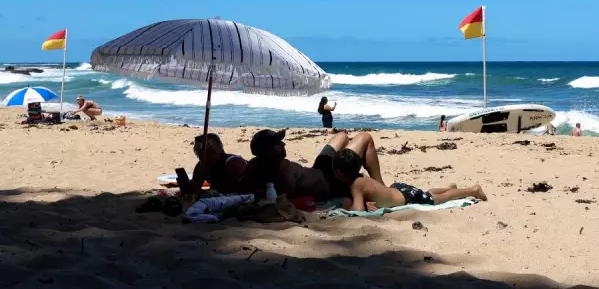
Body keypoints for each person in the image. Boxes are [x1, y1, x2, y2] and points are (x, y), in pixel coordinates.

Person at [248, 129, 385, 201]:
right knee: (365, 137)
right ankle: (381, 187)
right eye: (278, 143)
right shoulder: (279, 170)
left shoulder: (260, 164)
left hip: (320, 167)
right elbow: (287, 196)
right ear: (270, 151)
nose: (283, 144)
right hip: (332, 180)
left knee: (342, 136)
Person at [338, 169, 488, 212]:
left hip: (406, 197)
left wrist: (352, 207)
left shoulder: (356, 185)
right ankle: (448, 188)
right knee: (426, 193)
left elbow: (358, 211)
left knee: (438, 199)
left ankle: (473, 190)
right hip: (398, 188)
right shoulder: (362, 176)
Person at [178, 133, 249, 196]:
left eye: (206, 153)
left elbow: (244, 190)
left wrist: (210, 193)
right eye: (199, 154)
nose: (202, 157)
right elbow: (194, 188)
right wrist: (185, 185)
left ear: (217, 151)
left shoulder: (234, 163)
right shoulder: (202, 166)